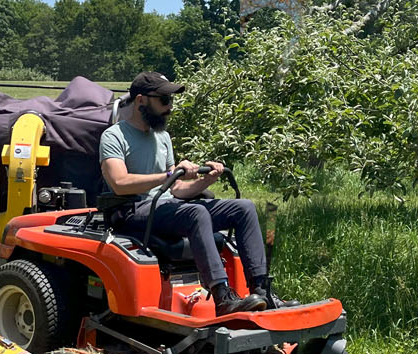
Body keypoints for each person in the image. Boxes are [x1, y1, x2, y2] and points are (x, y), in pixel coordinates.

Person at [97, 71, 291, 315]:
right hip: (133, 211)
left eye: (171, 100)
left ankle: (261, 291)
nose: (170, 107)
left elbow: (176, 189)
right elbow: (119, 183)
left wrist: (205, 180)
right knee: (196, 213)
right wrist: (170, 174)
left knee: (243, 208)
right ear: (140, 101)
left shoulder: (163, 137)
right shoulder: (114, 136)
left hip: (164, 207)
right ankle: (223, 297)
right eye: (164, 100)